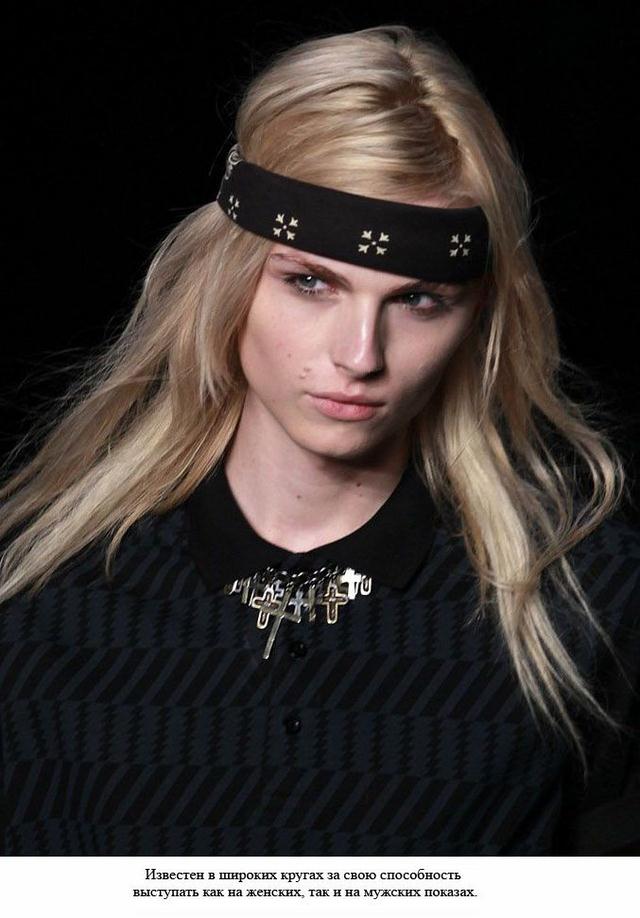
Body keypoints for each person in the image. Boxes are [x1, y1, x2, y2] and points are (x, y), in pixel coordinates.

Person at [0, 23, 638, 857]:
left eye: (418, 300)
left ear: (476, 318)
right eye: (310, 282)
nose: (360, 356)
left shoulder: (587, 606)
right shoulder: (39, 599)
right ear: (228, 280)